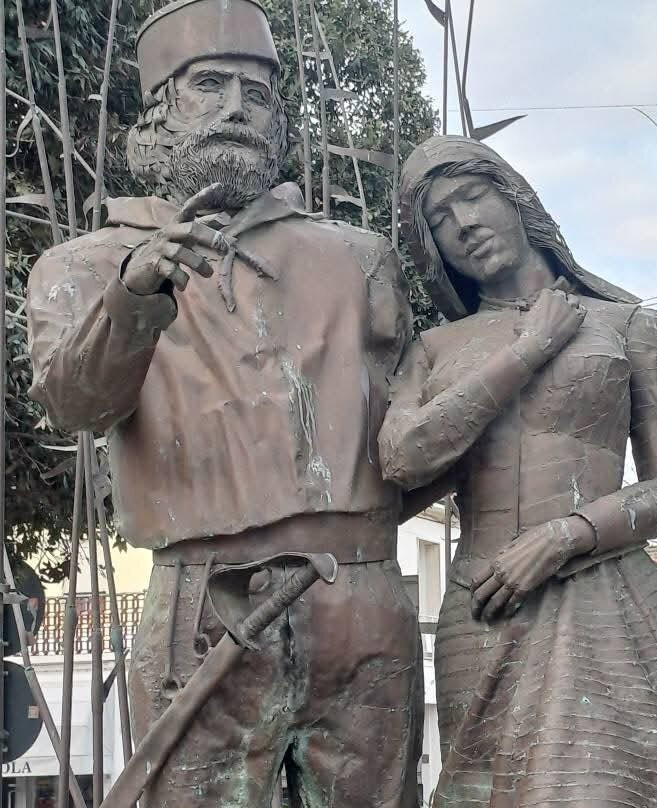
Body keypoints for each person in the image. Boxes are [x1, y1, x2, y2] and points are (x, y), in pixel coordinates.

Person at [26, 2, 422, 805]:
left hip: (363, 595)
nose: (240, 106)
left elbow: (417, 431)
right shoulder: (84, 265)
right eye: (210, 84)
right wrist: (135, 296)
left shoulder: (357, 259)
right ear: (159, 112)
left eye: (260, 91)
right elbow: (74, 406)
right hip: (200, 601)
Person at [379, 135, 657, 807]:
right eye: (441, 221)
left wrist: (567, 536)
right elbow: (402, 459)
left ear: (514, 197)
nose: (465, 226)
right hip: (484, 612)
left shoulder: (629, 326)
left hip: (610, 602)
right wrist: (528, 351)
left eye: (472, 198)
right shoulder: (434, 349)